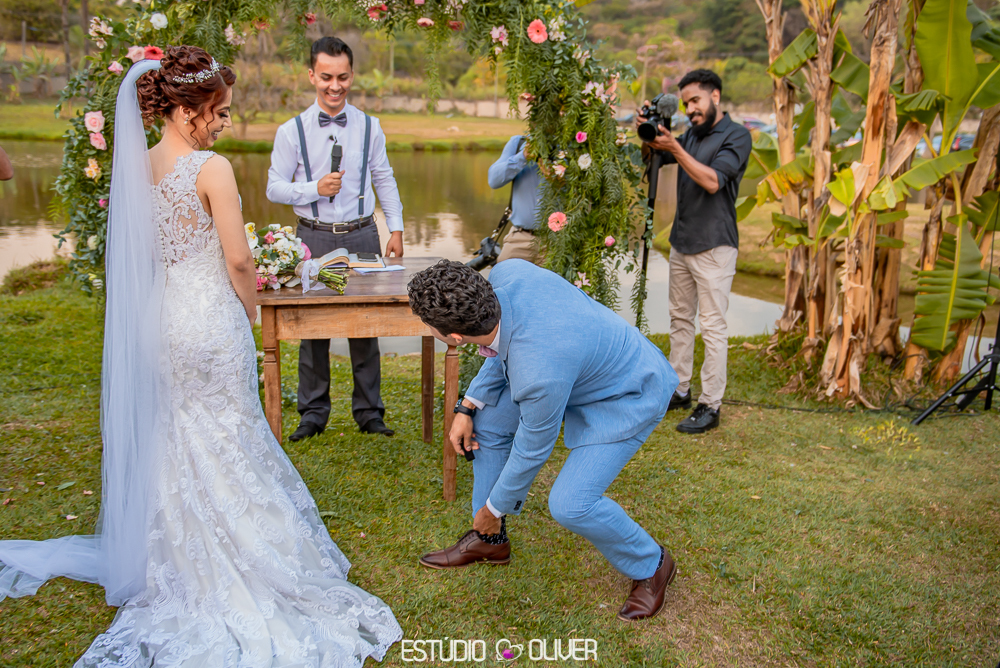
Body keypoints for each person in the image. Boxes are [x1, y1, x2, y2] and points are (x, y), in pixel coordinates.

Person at [0, 47, 402, 665]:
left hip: (162, 319)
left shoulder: (138, 165)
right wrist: (249, 310)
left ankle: (177, 555)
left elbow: (147, 253)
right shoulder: (211, 169)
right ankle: (245, 553)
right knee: (230, 429)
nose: (225, 122)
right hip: (208, 318)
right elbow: (238, 259)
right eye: (220, 112)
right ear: (188, 111)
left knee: (180, 431)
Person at [407, 259, 680, 622]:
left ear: (454, 337)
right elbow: (502, 343)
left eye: (428, 325)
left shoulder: (537, 374)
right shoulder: (509, 273)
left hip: (629, 391)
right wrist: (468, 405)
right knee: (486, 423)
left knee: (571, 504)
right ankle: (490, 540)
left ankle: (652, 564)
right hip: (569, 366)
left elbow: (532, 449)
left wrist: (493, 508)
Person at [267, 36, 403, 441]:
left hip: (363, 234)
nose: (334, 86)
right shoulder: (291, 131)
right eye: (326, 77)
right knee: (312, 329)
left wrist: (395, 228)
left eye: (342, 77)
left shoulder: (369, 126)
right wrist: (314, 188)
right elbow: (274, 187)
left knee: (366, 323)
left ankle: (369, 413)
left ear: (352, 75)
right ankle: (312, 415)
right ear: (312, 75)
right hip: (313, 237)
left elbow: (384, 178)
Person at [637, 69, 752, 435]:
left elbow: (713, 181)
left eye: (696, 101)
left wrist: (675, 147)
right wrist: (651, 134)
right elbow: (656, 157)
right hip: (682, 241)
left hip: (715, 245)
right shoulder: (690, 135)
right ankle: (680, 389)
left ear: (715, 96)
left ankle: (710, 404)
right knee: (680, 319)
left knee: (713, 327)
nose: (690, 110)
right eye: (686, 104)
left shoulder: (736, 135)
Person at [489, 134, 542, 264]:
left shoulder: (574, 143)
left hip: (559, 243)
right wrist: (522, 157)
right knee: (501, 275)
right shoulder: (519, 142)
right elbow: (493, 180)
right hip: (520, 239)